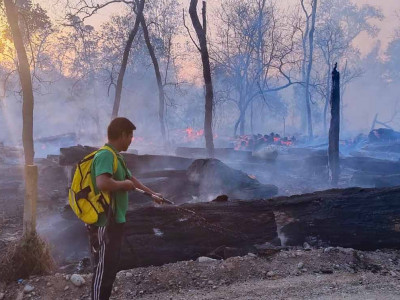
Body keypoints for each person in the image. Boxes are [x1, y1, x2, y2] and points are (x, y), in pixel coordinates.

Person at [87, 117, 163, 300]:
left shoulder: (116, 157)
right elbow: (102, 182)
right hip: (104, 222)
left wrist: (152, 194)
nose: (131, 140)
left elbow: (132, 180)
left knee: (110, 268)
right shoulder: (105, 155)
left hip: (114, 220)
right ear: (122, 135)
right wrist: (123, 185)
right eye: (130, 136)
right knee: (103, 270)